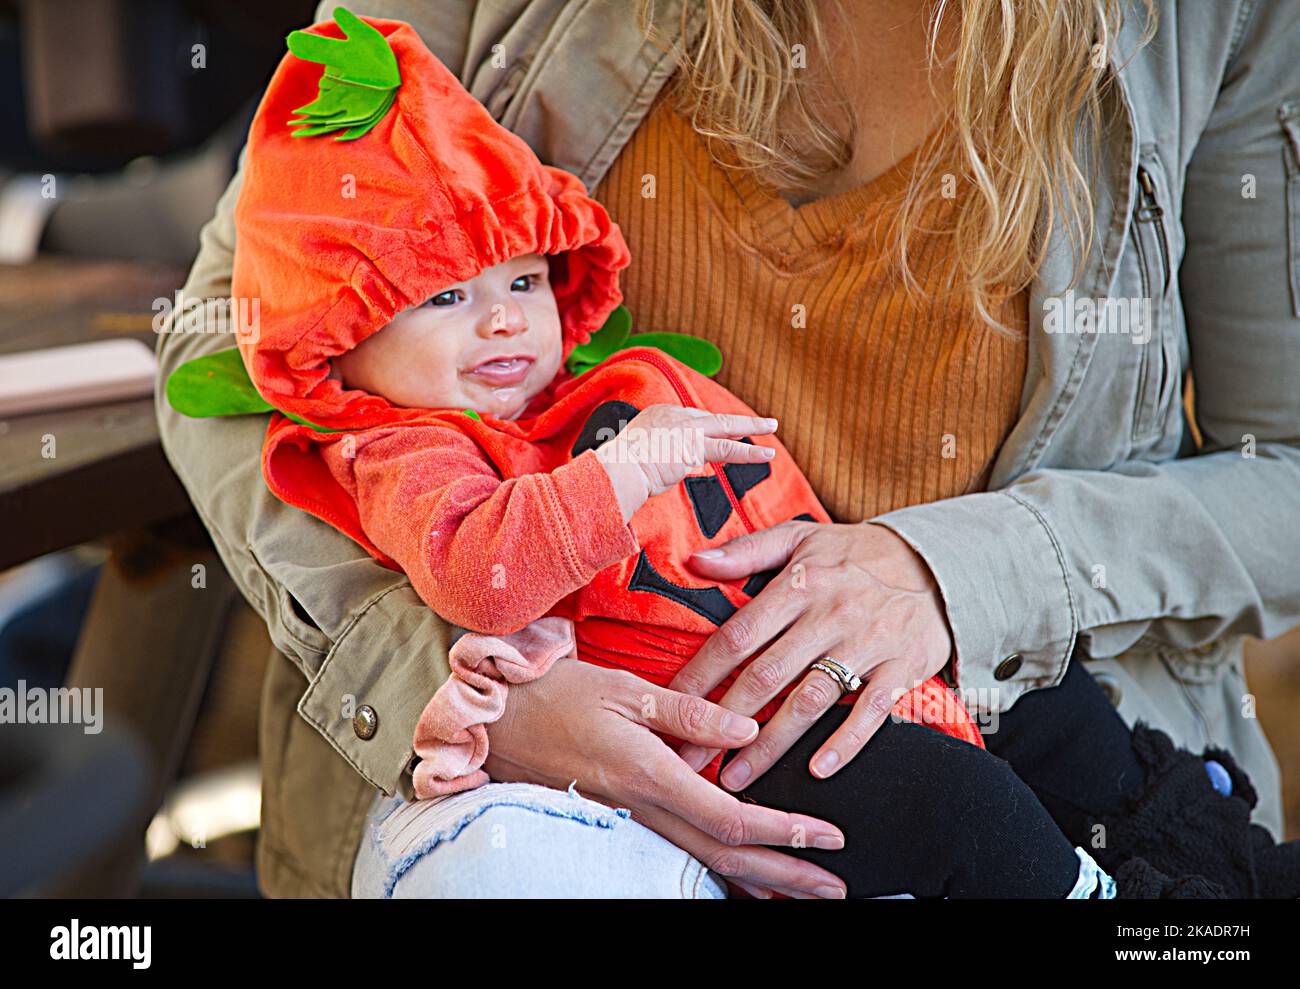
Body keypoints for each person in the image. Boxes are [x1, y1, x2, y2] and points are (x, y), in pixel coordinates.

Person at [155, 0, 1299, 899]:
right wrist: (456, 691)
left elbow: (1282, 476)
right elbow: (224, 333)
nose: (504, 316)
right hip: (581, 792)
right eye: (458, 291)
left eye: (518, 281)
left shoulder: (1210, 16)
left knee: (1030, 791)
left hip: (1010, 727)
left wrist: (971, 572)